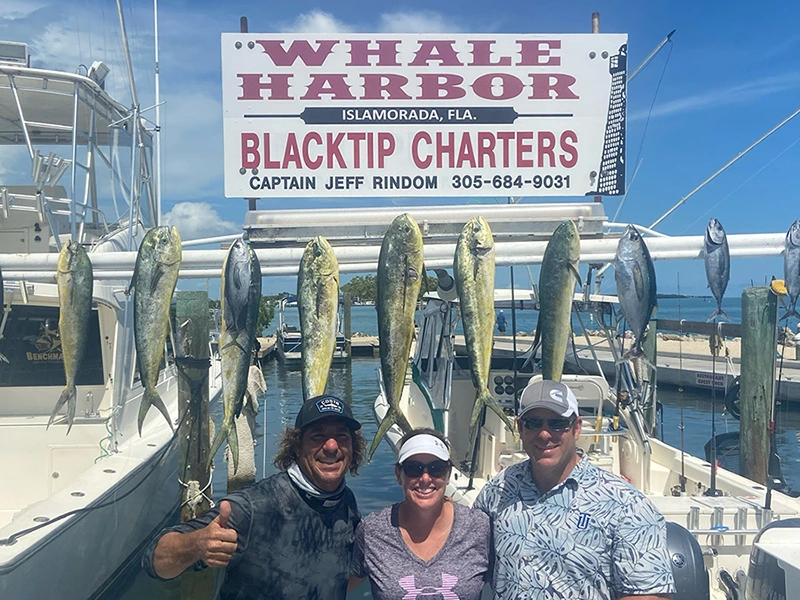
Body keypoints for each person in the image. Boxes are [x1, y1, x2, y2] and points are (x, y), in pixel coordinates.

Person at [142, 394, 365, 600]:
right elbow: (154, 560)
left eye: (342, 436)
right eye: (318, 436)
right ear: (296, 447)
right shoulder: (253, 506)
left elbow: (339, 578)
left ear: (353, 448)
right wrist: (196, 544)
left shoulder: (347, 503)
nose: (332, 446)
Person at [474, 379, 675, 600]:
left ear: (576, 428)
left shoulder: (628, 505)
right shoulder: (499, 489)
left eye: (557, 423)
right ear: (520, 428)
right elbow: (470, 560)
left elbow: (649, 595)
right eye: (533, 423)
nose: (544, 434)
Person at [349, 428, 490, 600]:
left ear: (448, 474)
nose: (425, 478)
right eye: (413, 468)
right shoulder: (372, 531)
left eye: (436, 468)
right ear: (398, 475)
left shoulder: (479, 527)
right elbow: (338, 585)